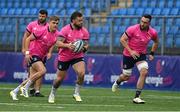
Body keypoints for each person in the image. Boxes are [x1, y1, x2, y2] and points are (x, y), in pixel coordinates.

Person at [10, 15, 60, 100]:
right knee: (43, 70)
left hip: (41, 56)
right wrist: (27, 53)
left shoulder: (57, 34)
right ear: (49, 23)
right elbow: (28, 39)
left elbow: (56, 43)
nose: (55, 25)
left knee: (31, 77)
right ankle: (25, 88)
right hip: (33, 54)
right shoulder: (41, 30)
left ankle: (15, 91)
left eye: (57, 23)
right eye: (53, 23)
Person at [112, 14, 159, 104]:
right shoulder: (132, 29)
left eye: (145, 22)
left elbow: (156, 42)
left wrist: (152, 53)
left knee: (144, 72)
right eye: (141, 21)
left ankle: (137, 97)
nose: (142, 24)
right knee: (126, 76)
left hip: (141, 55)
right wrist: (131, 51)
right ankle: (117, 82)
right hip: (128, 54)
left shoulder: (153, 32)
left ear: (149, 23)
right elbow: (122, 39)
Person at [48, 11, 89, 103]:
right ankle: (52, 93)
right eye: (79, 21)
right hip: (64, 56)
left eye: (82, 20)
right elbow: (57, 43)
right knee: (59, 79)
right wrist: (67, 46)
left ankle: (76, 93)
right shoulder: (65, 30)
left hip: (77, 56)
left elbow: (86, 44)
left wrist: (84, 48)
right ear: (73, 20)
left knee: (82, 73)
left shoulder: (84, 31)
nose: (81, 22)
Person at [22, 9, 49, 97]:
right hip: (32, 51)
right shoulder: (32, 24)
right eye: (40, 16)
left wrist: (49, 52)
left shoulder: (49, 27)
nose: (41, 18)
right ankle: (29, 89)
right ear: (38, 16)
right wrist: (25, 49)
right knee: (32, 72)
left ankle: (37, 91)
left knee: (40, 72)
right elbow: (26, 36)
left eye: (43, 16)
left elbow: (51, 40)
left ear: (46, 17)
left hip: (42, 52)